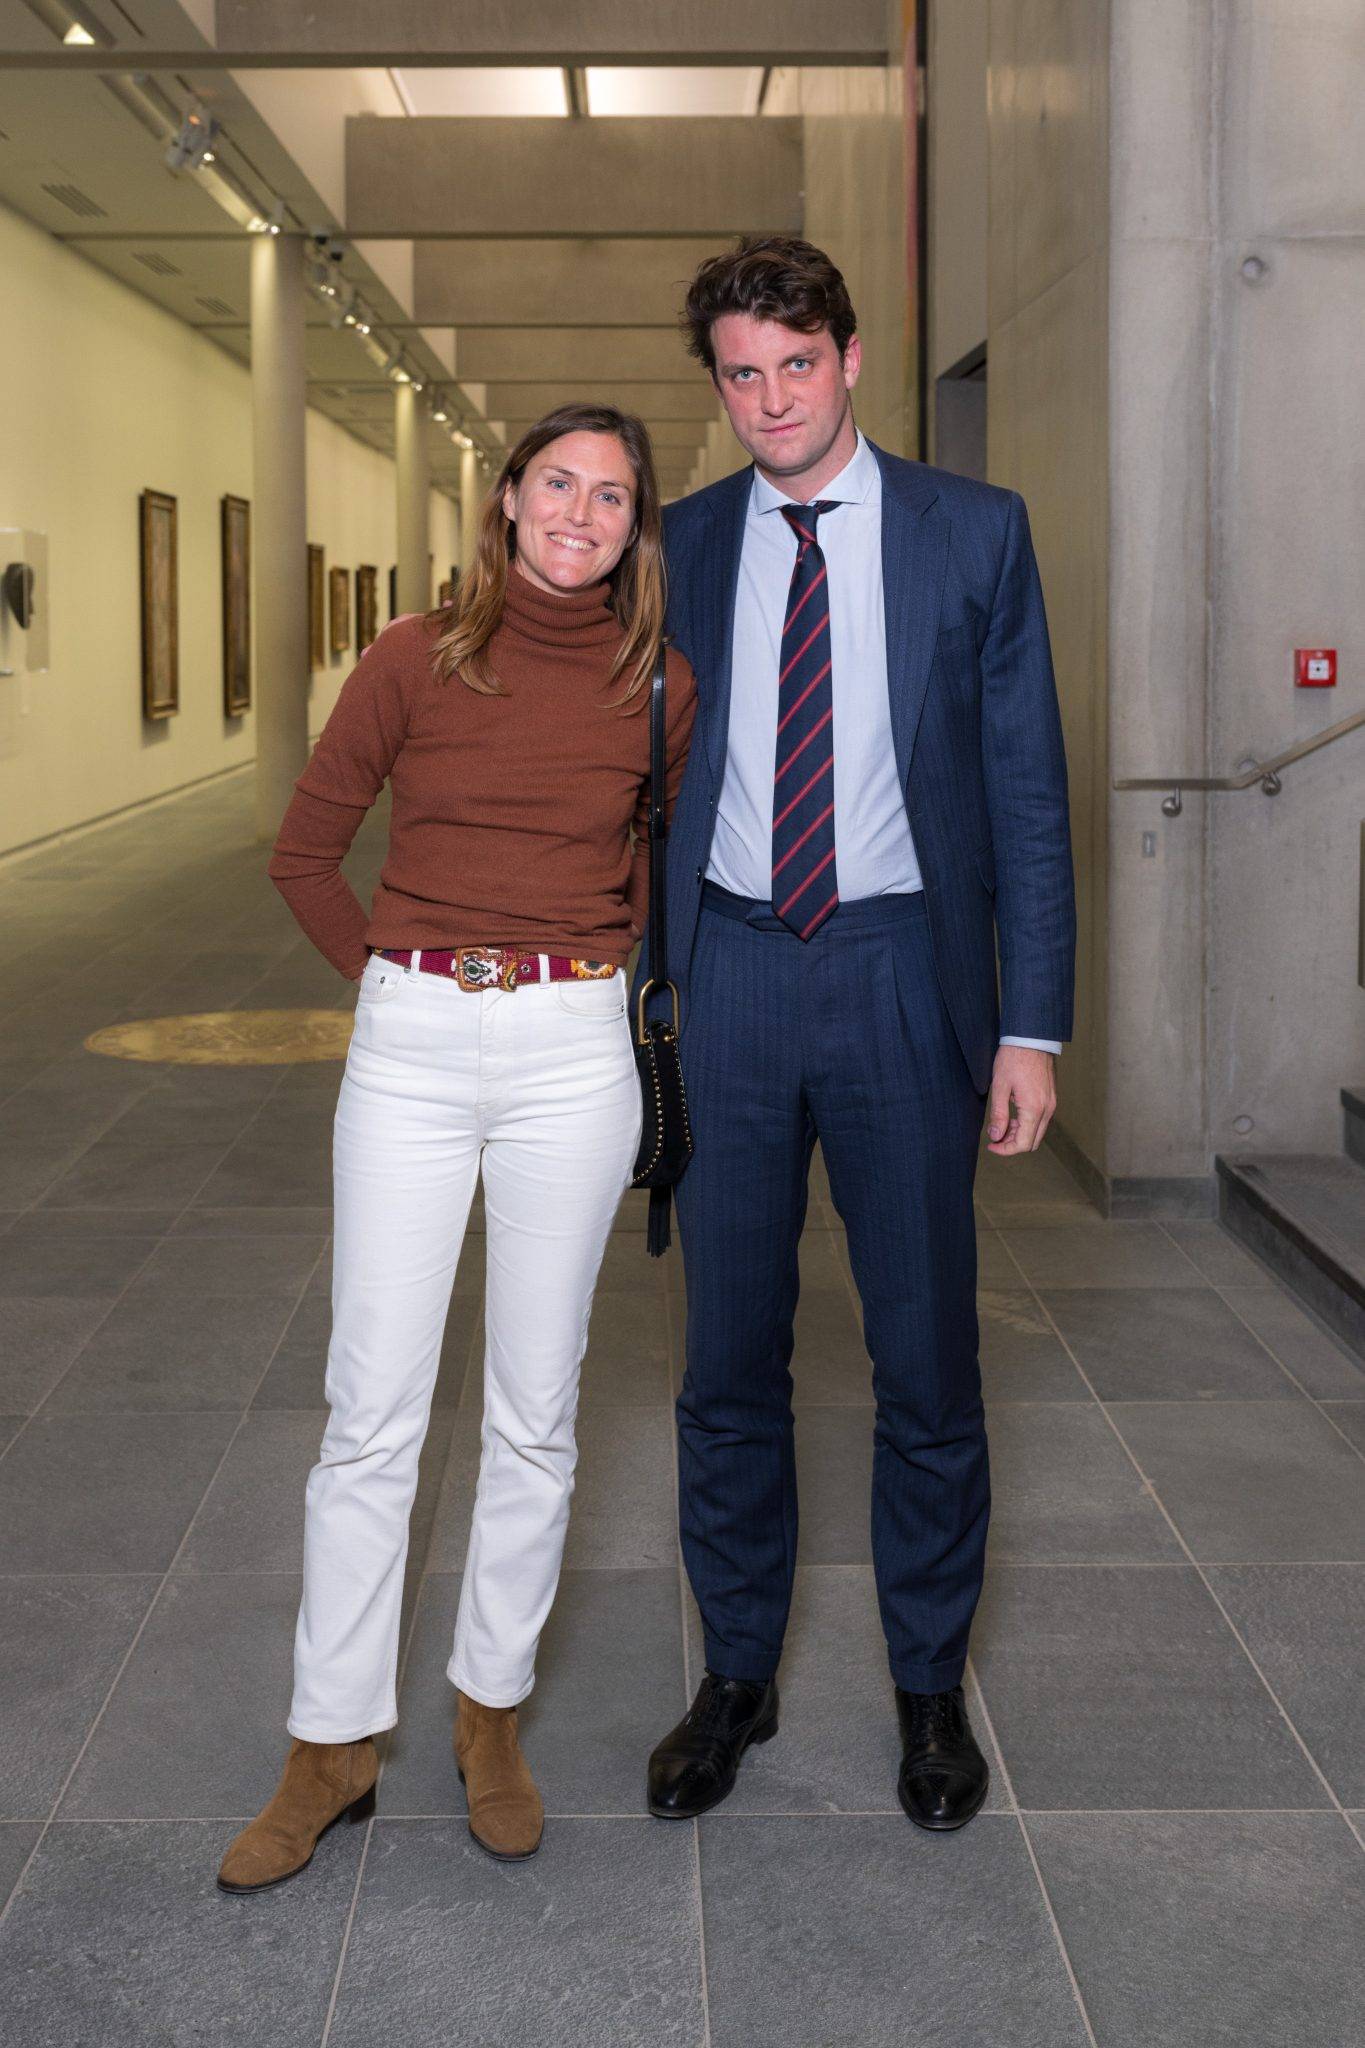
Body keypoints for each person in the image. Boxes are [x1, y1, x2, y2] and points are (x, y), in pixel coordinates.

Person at [218, 404, 695, 1892]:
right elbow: (305, 850)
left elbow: (650, 874)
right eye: (557, 481)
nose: (580, 511)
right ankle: (331, 1744)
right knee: (371, 1410)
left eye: (611, 495)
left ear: (634, 528)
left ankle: (490, 1716)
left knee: (535, 1412)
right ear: (504, 499)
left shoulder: (658, 687)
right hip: (415, 1049)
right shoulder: (411, 657)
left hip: (572, 1054)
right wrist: (393, 977)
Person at [636, 236, 1075, 1831]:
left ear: (850, 358)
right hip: (731, 982)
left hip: (902, 979)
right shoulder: (677, 544)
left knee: (927, 1365)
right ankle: (736, 1677)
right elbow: (627, 794)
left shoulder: (972, 535)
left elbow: (1026, 793)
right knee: (727, 1365)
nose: (768, 401)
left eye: (793, 366)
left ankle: (925, 1692)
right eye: (739, 376)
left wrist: (1031, 1028)